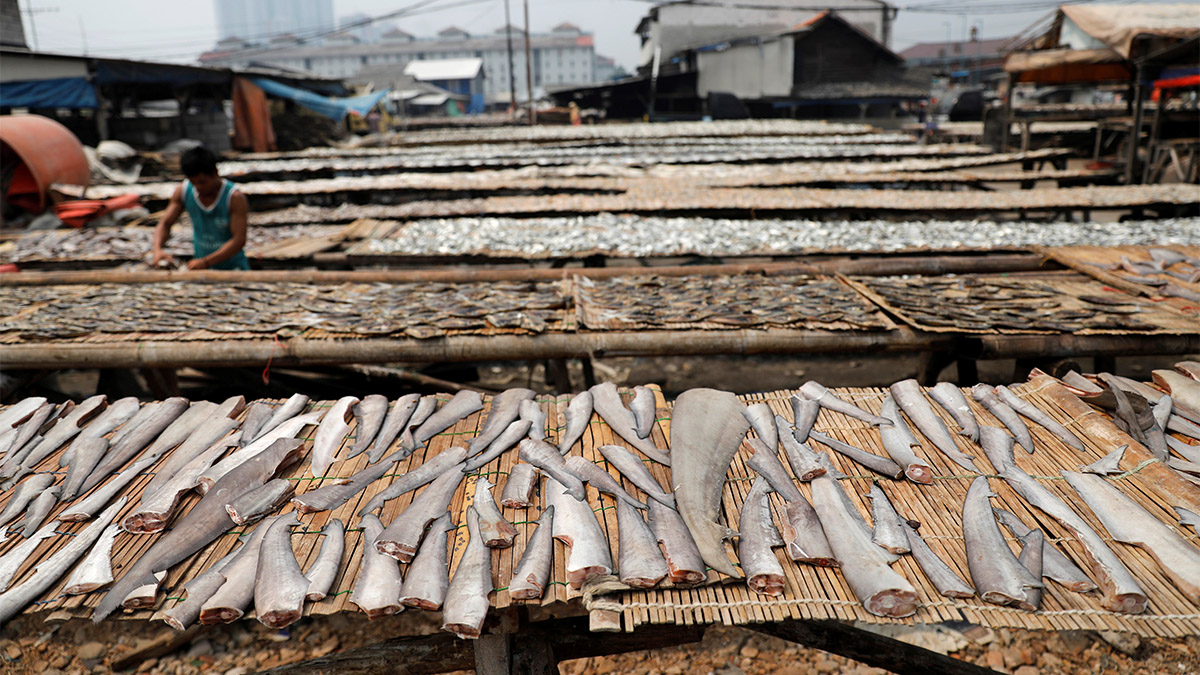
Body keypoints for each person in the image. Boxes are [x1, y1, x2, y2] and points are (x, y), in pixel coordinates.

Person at [151, 146, 250, 270]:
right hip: (201, 267)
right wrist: (157, 249)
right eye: (193, 183)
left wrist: (206, 261)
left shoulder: (234, 197)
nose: (198, 187)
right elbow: (165, 223)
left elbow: (239, 240)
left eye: (202, 182)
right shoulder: (183, 191)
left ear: (215, 173)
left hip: (233, 268)